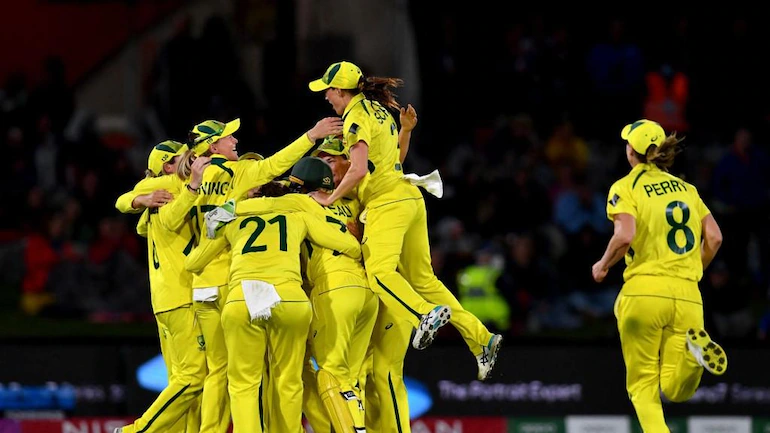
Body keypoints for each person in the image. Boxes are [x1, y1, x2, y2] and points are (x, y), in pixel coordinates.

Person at [117, 116, 342, 433]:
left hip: (199, 284)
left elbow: (135, 209)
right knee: (257, 372)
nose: (235, 140)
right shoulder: (241, 173)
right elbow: (278, 163)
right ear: (213, 146)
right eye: (228, 137)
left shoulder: (180, 182)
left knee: (216, 371)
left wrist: (140, 199)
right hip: (236, 283)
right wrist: (311, 136)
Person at [307, 60, 501, 380]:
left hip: (387, 203)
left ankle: (423, 314)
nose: (326, 96)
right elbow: (392, 160)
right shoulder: (379, 111)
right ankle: (481, 339)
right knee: (424, 281)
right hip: (409, 196)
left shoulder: (355, 117)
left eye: (328, 90)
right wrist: (406, 131)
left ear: (340, 90)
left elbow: (357, 170)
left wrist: (328, 198)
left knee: (379, 273)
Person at [184, 177, 362, 433]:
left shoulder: (232, 219)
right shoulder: (298, 216)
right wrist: (356, 239)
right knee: (289, 380)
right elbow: (349, 247)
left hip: (242, 299)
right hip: (289, 299)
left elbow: (193, 263)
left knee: (243, 383)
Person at [591, 119, 727, 432]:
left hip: (645, 292)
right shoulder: (687, 189)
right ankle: (694, 356)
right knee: (677, 390)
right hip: (688, 295)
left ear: (631, 151)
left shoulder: (626, 187)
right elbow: (715, 237)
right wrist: (692, 271)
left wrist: (603, 264)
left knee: (643, 385)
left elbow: (625, 235)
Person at [113, 141, 209, 433]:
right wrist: (142, 198)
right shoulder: (170, 186)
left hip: (165, 299)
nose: (192, 159)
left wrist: (141, 201)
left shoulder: (163, 198)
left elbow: (129, 210)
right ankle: (136, 431)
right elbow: (122, 200)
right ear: (168, 167)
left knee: (182, 381)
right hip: (181, 296)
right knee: (193, 378)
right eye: (183, 157)